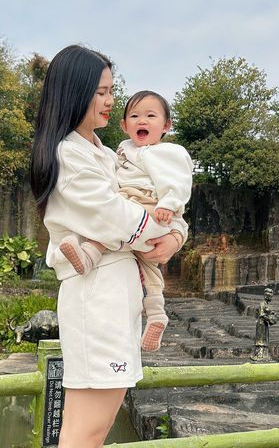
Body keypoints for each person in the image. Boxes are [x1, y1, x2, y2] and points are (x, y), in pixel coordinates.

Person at [30, 45, 184, 448]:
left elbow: (141, 214)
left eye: (111, 91)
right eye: (99, 92)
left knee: (92, 441)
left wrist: (168, 235)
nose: (110, 101)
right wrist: (163, 237)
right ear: (72, 93)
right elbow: (121, 220)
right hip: (95, 302)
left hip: (116, 296)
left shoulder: (102, 150)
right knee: (81, 437)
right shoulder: (70, 154)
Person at [57, 90, 193, 351]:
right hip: (128, 217)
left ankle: (155, 315)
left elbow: (178, 183)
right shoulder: (115, 152)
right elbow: (109, 215)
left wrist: (174, 233)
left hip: (150, 204)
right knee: (125, 249)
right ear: (124, 125)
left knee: (146, 265)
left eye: (150, 116)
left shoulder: (168, 152)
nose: (142, 121)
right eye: (134, 115)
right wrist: (172, 235)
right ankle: (155, 314)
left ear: (166, 125)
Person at [253, 287, 277, 361]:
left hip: (265, 323)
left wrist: (272, 313)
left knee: (265, 338)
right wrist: (270, 319)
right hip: (261, 323)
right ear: (267, 296)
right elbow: (262, 315)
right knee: (261, 339)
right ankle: (259, 355)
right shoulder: (262, 304)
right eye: (270, 297)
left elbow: (267, 312)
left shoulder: (266, 304)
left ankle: (264, 354)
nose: (271, 298)